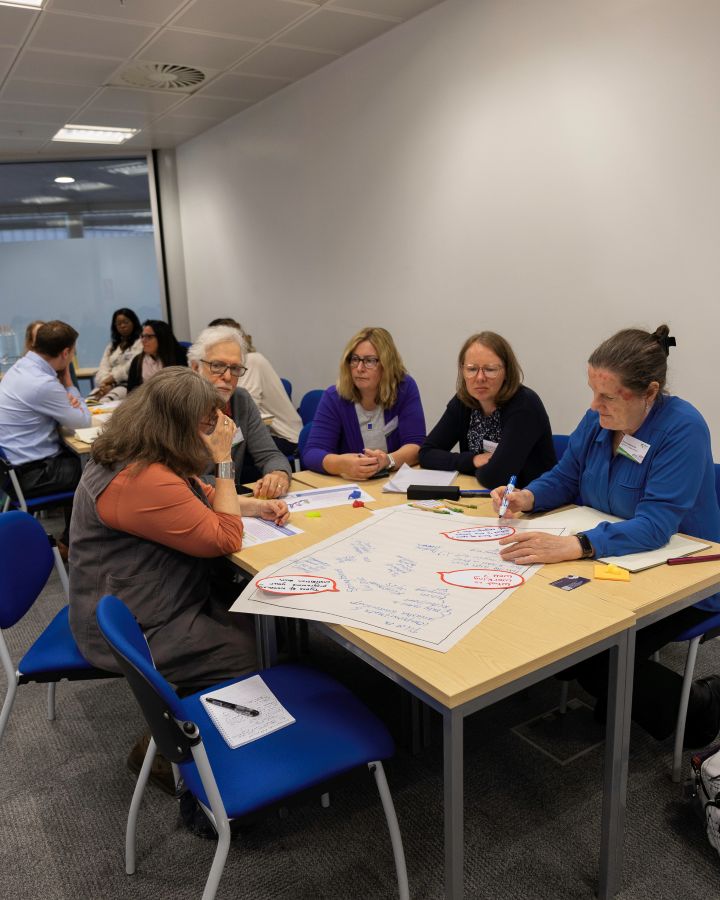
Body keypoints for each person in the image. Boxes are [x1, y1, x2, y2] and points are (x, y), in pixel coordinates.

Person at [492, 325, 720, 747]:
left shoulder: (683, 428)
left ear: (649, 392)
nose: (594, 405)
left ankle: (704, 710)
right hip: (614, 562)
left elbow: (655, 525)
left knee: (597, 659)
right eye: (593, 392)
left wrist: (575, 545)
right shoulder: (600, 419)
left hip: (681, 575)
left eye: (608, 396)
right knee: (558, 639)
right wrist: (527, 495)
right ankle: (624, 693)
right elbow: (567, 475)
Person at [69, 366, 289, 688]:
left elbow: (199, 494)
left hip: (146, 597)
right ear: (177, 425)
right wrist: (224, 458)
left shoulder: (142, 450)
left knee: (258, 618)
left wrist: (255, 506)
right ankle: (183, 730)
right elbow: (226, 537)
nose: (215, 427)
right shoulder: (141, 479)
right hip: (135, 624)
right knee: (253, 650)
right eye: (207, 421)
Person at [418, 331, 556, 489]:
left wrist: (463, 466)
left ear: (506, 372)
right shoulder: (464, 401)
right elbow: (426, 454)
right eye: (471, 369)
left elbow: (496, 477)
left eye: (490, 369)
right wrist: (472, 460)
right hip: (483, 496)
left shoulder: (524, 405)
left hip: (531, 504)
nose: (480, 378)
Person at [0, 320, 90, 550]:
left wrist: (65, 400)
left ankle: (70, 541)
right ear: (65, 352)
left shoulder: (20, 369)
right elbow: (83, 421)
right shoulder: (42, 383)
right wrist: (69, 384)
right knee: (99, 470)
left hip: (13, 470)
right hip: (31, 474)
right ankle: (78, 546)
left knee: (81, 463)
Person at [304, 326, 426, 480]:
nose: (359, 368)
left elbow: (416, 445)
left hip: (394, 482)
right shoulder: (335, 396)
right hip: (353, 487)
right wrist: (342, 464)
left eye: (369, 361)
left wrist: (388, 460)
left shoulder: (404, 388)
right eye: (355, 359)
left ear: (387, 365)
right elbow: (312, 453)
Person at [188, 325, 293, 498]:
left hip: (228, 504)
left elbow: (270, 455)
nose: (228, 377)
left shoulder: (240, 400)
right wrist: (225, 482)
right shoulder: (175, 405)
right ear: (194, 367)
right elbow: (178, 482)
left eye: (235, 368)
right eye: (217, 365)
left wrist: (278, 474)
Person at [208, 317, 302, 457]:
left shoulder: (252, 360)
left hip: (284, 437)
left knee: (227, 450)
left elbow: (246, 414)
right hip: (262, 431)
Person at [87, 308, 142, 403]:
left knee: (104, 402)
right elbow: (103, 367)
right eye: (119, 324)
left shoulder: (141, 342)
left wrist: (112, 380)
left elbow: (131, 366)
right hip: (108, 384)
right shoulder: (112, 346)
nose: (122, 326)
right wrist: (105, 383)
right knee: (88, 401)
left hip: (128, 385)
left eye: (126, 322)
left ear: (134, 322)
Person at [126, 319, 187, 392]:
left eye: (149, 337)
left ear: (162, 337)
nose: (143, 340)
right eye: (142, 336)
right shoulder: (137, 360)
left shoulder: (181, 355)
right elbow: (131, 393)